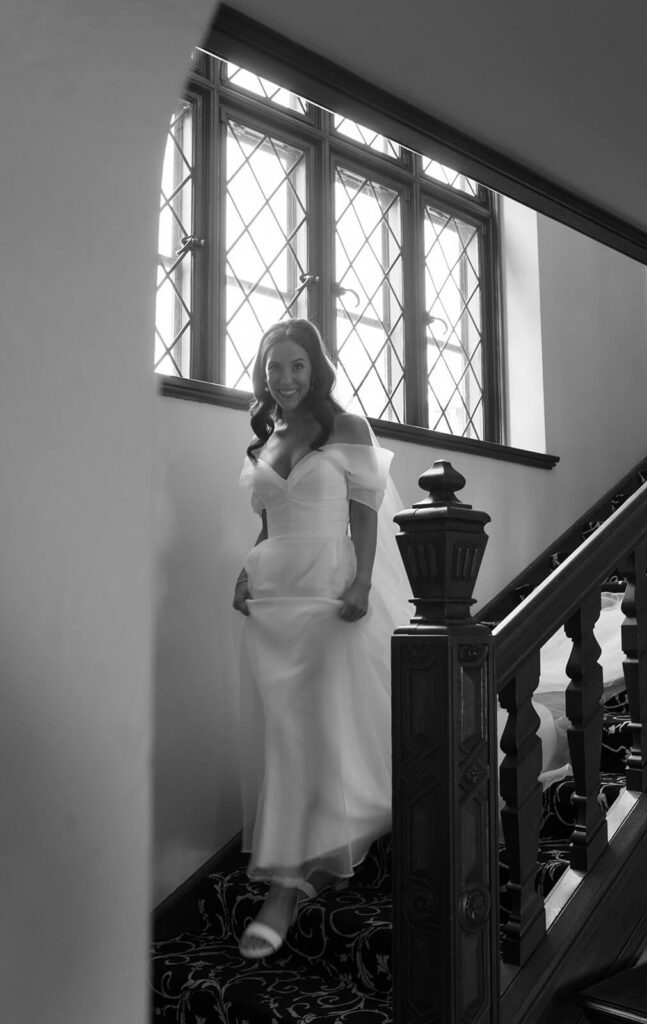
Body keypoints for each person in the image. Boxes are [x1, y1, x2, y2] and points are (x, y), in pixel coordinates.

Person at [233, 318, 411, 960]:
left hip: (331, 592)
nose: (283, 379)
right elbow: (268, 523)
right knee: (288, 731)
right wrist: (243, 575)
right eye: (273, 368)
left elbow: (365, 508)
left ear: (317, 370)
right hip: (273, 601)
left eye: (296, 366)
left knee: (322, 726)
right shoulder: (264, 439)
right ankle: (303, 861)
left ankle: (284, 886)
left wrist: (363, 581)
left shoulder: (346, 429)